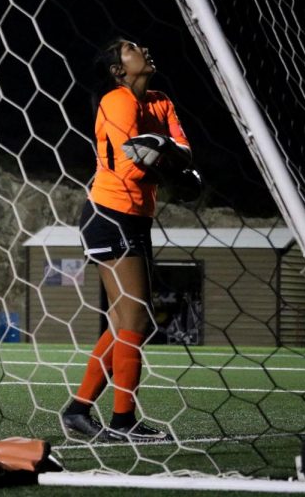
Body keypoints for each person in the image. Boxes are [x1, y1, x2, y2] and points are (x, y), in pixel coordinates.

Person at [62, 38, 193, 442]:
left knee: (126, 320)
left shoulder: (160, 101)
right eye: (132, 48)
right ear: (119, 69)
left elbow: (185, 151)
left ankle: (79, 411)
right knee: (135, 318)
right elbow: (133, 168)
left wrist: (165, 152)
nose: (144, 50)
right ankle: (122, 421)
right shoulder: (117, 101)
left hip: (137, 218)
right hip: (109, 214)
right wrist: (168, 162)